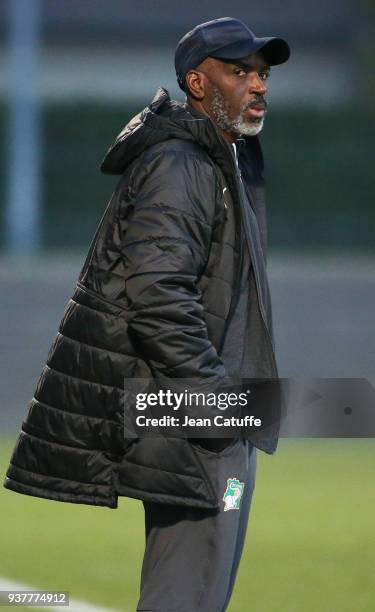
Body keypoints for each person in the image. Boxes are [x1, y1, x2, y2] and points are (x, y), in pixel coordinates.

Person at [3, 17, 290, 612]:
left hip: (210, 405)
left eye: (261, 74)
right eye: (239, 72)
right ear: (197, 82)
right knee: (188, 591)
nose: (257, 85)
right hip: (196, 408)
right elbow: (157, 295)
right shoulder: (181, 164)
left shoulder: (221, 158)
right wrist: (215, 399)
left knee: (197, 586)